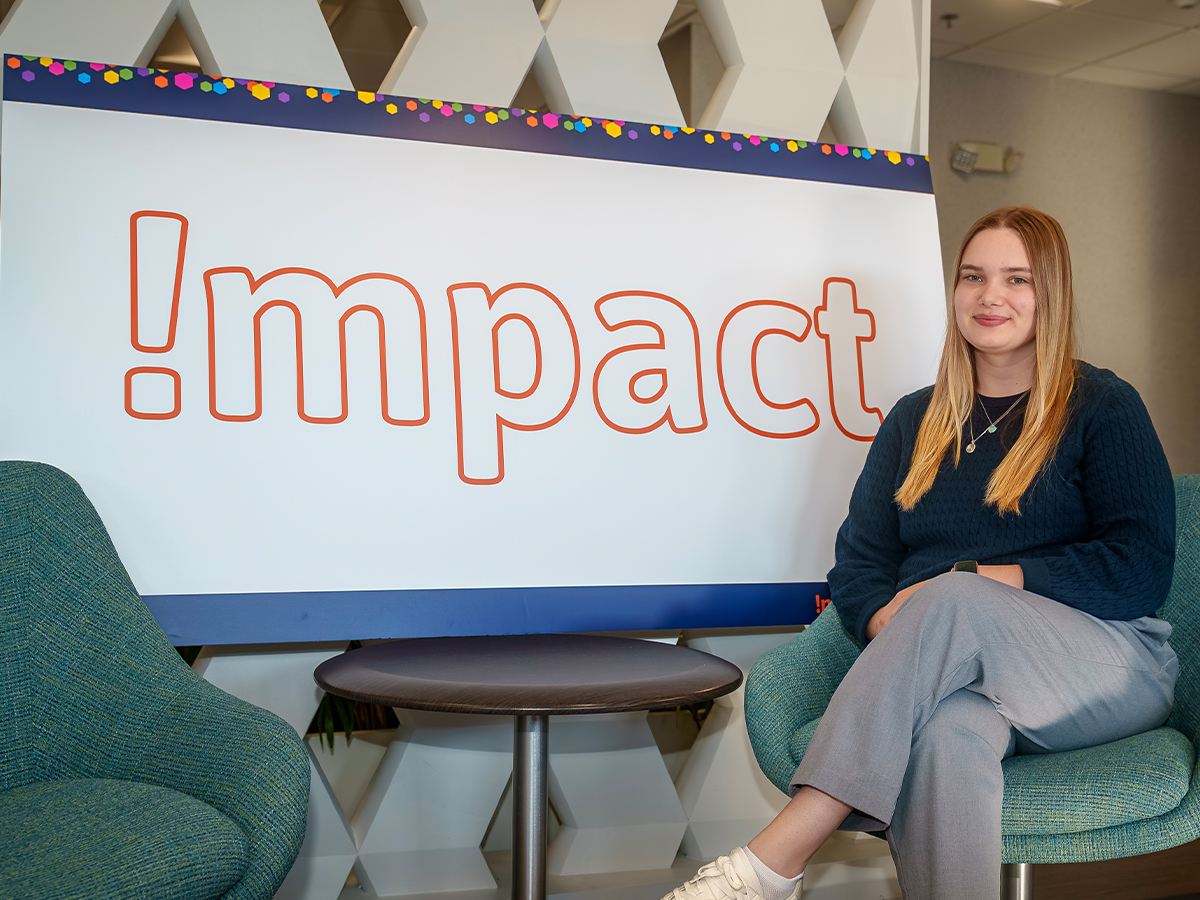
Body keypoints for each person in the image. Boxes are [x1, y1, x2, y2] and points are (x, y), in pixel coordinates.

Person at [662, 207, 1177, 900]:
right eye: (973, 276)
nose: (990, 296)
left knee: (956, 592)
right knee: (948, 734)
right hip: (962, 670)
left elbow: (1140, 569)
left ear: (1051, 293)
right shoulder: (914, 419)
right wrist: (890, 624)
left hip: (1107, 667)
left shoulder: (1104, 407)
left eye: (1017, 279)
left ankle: (777, 857)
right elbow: (860, 565)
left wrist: (980, 581)